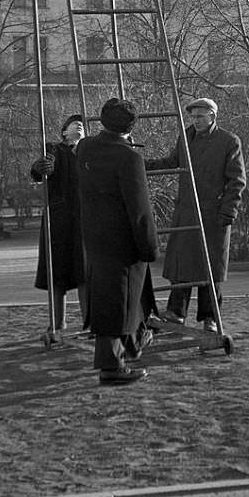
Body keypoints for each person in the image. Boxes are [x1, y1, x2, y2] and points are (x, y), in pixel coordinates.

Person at [76, 98, 158, 385]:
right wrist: (149, 245)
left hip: (95, 237)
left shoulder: (86, 148)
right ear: (131, 127)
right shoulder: (129, 158)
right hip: (124, 242)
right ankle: (111, 366)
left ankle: (132, 347)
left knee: (114, 300)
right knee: (119, 302)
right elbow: (139, 210)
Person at [147, 97, 246, 334]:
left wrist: (229, 210)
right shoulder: (186, 138)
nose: (196, 121)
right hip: (186, 212)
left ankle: (210, 318)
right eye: (193, 116)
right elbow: (171, 162)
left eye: (201, 116)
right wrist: (140, 163)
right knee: (182, 264)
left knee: (210, 268)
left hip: (214, 214)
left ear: (213, 116)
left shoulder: (228, 141)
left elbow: (237, 181)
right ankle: (176, 312)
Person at [31, 114, 87, 341]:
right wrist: (40, 167)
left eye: (83, 124)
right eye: (75, 123)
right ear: (65, 132)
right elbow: (42, 168)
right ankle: (57, 322)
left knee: (85, 272)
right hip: (59, 219)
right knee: (57, 272)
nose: (80, 125)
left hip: (84, 218)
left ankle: (89, 320)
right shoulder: (55, 149)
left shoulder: (90, 151)